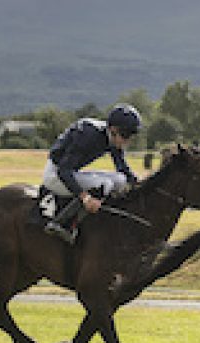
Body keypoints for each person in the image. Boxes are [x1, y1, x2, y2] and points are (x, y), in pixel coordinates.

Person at [42, 103, 142, 243]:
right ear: (113, 130)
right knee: (104, 183)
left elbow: (122, 168)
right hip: (55, 175)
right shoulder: (88, 135)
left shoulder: (112, 138)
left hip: (70, 172)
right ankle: (63, 223)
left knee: (120, 179)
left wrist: (139, 182)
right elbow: (63, 171)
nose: (128, 140)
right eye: (127, 135)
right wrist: (85, 198)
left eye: (132, 135)